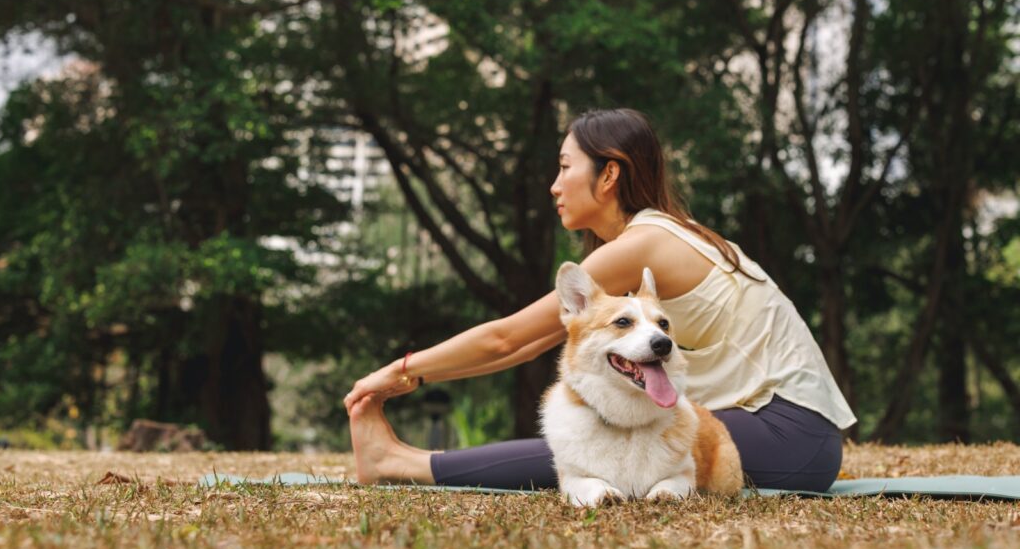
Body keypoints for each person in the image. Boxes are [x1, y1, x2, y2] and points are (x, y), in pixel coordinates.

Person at [343, 108, 856, 493]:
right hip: (786, 429)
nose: (554, 185)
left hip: (792, 436)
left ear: (609, 175)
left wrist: (400, 372)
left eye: (566, 167)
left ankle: (401, 464)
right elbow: (527, 344)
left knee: (602, 440)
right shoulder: (652, 238)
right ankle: (401, 459)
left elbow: (506, 340)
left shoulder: (644, 243)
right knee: (600, 422)